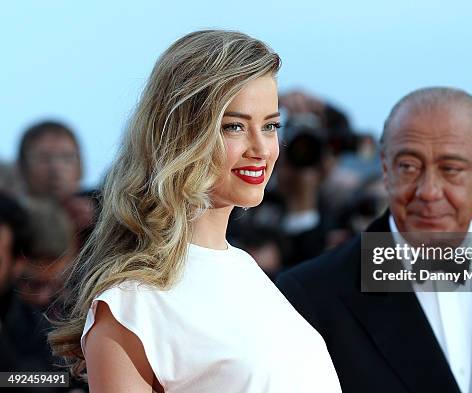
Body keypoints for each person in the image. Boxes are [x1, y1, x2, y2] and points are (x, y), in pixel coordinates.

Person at [48, 30, 341, 393]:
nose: (261, 148)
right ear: (183, 134)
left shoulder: (248, 272)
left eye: (270, 126)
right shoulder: (131, 305)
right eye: (234, 126)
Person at [276, 87, 472, 393]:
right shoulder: (309, 297)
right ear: (386, 170)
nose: (429, 191)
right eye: (409, 167)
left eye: (451, 169)